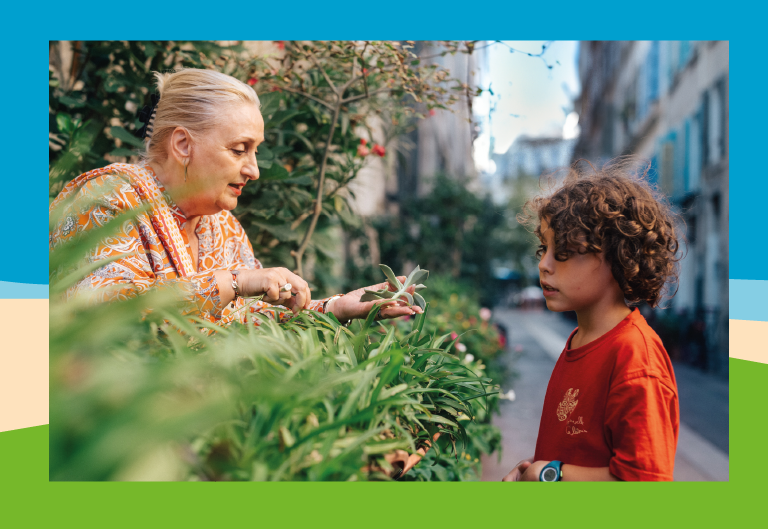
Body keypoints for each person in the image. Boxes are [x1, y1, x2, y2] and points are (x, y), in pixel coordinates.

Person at [49, 68, 419, 326]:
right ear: (182, 144)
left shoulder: (222, 228)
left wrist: (338, 306)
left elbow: (249, 321)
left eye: (254, 152)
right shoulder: (109, 198)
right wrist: (236, 282)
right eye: (240, 149)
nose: (254, 170)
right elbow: (102, 314)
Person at [502, 159, 682, 482]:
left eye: (564, 251)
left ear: (617, 256)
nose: (543, 264)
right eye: (544, 248)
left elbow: (646, 484)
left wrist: (551, 476)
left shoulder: (634, 355)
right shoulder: (579, 340)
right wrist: (535, 469)